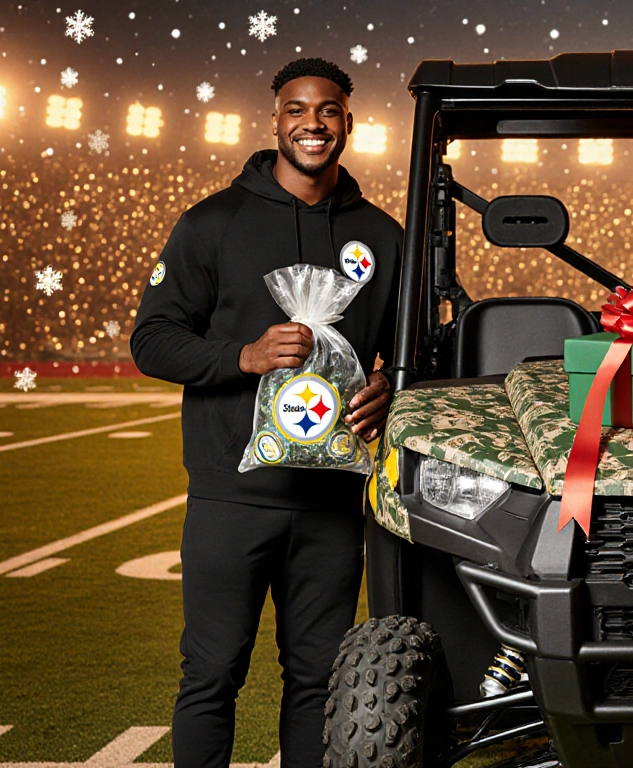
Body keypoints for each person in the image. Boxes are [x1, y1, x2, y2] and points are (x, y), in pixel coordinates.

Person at [131, 58, 402, 767]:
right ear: (275, 120)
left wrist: (387, 390)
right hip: (232, 493)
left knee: (319, 681)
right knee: (212, 676)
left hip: (333, 500)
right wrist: (242, 357)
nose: (312, 124)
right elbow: (152, 340)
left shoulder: (382, 234)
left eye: (328, 111)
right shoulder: (212, 223)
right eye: (296, 109)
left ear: (349, 121)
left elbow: (415, 358)